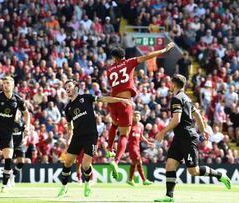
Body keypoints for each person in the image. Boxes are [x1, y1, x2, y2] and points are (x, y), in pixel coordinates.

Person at [154, 74, 231, 202]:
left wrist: (163, 132)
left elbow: (176, 119)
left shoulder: (177, 99)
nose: (169, 85)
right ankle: (169, 197)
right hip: (179, 138)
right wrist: (203, 130)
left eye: (170, 83)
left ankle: (219, 175)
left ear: (174, 84)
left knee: (193, 171)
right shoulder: (187, 98)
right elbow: (198, 116)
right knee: (170, 164)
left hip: (188, 138)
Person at [106, 42, 175, 179]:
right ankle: (116, 161)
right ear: (123, 57)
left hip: (112, 101)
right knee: (124, 135)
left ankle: (109, 150)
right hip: (125, 102)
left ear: (114, 58)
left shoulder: (109, 70)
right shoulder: (129, 62)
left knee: (114, 124)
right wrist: (164, 49)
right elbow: (148, 56)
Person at [57, 80, 131, 198]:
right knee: (67, 162)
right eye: (66, 87)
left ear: (76, 87)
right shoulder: (68, 108)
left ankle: (88, 184)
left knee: (85, 165)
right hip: (77, 137)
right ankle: (64, 187)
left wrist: (120, 99)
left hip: (90, 136)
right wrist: (67, 141)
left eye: (69, 86)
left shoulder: (86, 98)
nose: (67, 89)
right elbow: (69, 126)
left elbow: (104, 99)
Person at [126, 111, 154, 186]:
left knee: (134, 162)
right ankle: (144, 180)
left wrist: (148, 142)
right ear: (133, 117)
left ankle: (130, 180)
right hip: (131, 146)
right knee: (139, 161)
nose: (136, 117)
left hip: (137, 146)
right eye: (135, 116)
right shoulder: (130, 125)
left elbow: (141, 136)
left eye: (138, 116)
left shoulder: (141, 126)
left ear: (140, 117)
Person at [8, 116, 26, 187]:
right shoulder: (9, 122)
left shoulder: (22, 122)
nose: (16, 114)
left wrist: (25, 138)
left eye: (17, 113)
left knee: (21, 162)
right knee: (9, 161)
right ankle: (8, 179)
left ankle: (13, 175)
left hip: (19, 144)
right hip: (10, 144)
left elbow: (26, 132)